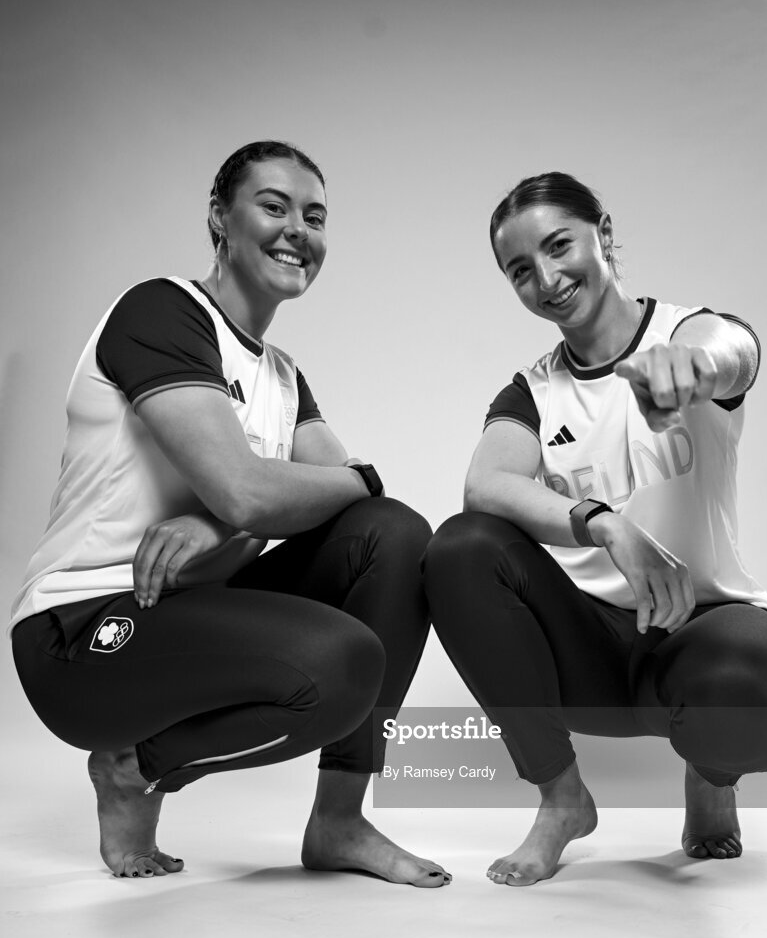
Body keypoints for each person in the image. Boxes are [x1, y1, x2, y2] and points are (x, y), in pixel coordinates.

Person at [10, 140, 450, 888]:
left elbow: (346, 497)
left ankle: (340, 820)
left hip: (196, 610)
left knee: (398, 536)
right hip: (83, 634)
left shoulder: (283, 378)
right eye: (273, 207)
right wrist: (261, 500)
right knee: (342, 663)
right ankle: (132, 769)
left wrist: (224, 522)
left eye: (314, 216)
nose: (297, 231)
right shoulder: (163, 310)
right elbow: (251, 491)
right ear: (220, 218)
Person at [422, 171, 767, 886]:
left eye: (558, 245)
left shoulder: (686, 333)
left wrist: (689, 367)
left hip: (701, 629)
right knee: (459, 547)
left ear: (602, 231)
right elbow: (486, 484)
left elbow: (733, 353)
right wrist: (605, 527)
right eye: (520, 270)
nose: (547, 278)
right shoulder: (533, 390)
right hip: (588, 650)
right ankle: (562, 799)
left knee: (746, 685)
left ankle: (712, 778)